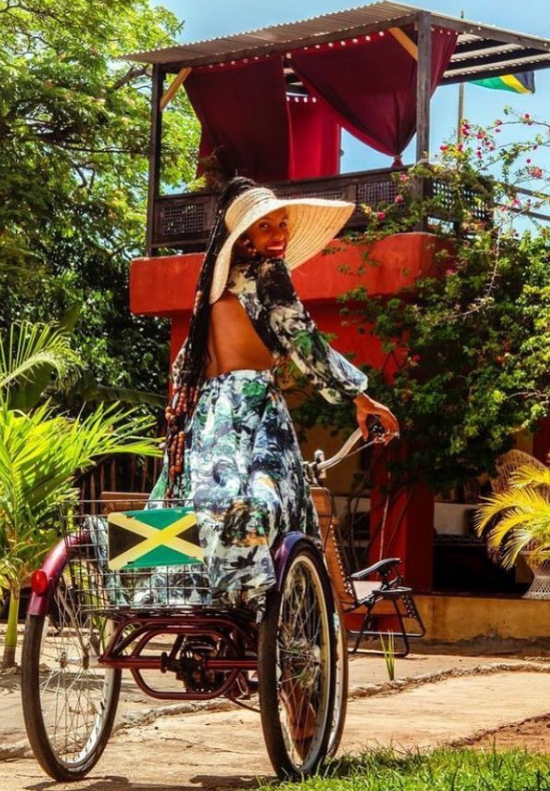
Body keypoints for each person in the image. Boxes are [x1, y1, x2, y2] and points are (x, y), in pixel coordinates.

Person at [149, 176, 399, 603]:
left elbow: (184, 365)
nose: (278, 234)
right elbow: (303, 339)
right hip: (253, 406)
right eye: (265, 226)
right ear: (243, 237)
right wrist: (361, 396)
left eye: (283, 224)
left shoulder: (212, 291)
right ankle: (260, 595)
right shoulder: (268, 274)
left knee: (205, 502)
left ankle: (202, 597)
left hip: (209, 414)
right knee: (275, 502)